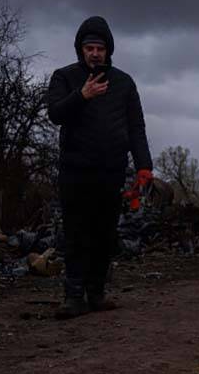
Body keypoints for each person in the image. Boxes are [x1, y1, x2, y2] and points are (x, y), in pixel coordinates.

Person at [46, 16, 153, 318]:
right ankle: (73, 296)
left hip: (111, 170)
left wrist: (144, 165)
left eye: (100, 48)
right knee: (76, 233)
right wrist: (82, 95)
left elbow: (136, 126)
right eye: (89, 47)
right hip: (76, 171)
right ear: (80, 50)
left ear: (108, 51)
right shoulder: (65, 77)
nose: (94, 53)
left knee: (105, 234)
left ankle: (97, 294)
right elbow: (54, 113)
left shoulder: (123, 83)